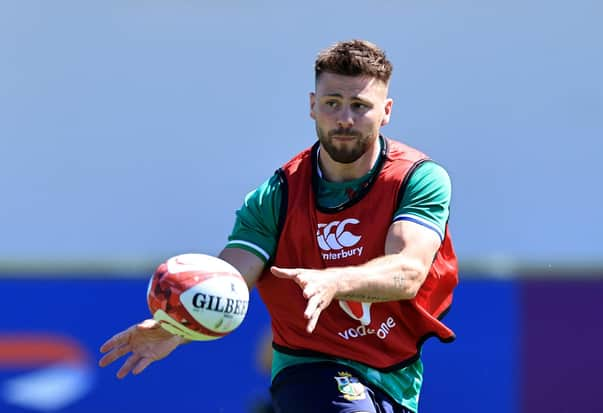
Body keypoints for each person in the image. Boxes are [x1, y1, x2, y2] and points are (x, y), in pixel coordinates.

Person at [99, 39, 458, 413]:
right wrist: (174, 327)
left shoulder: (417, 178)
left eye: (360, 106)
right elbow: (230, 282)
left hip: (397, 370)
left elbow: (408, 271)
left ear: (385, 112)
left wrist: (335, 281)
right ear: (312, 106)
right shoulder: (276, 197)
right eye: (332, 103)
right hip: (310, 366)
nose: (345, 119)